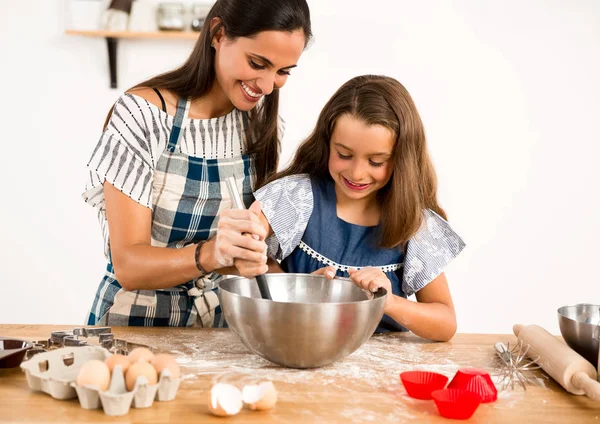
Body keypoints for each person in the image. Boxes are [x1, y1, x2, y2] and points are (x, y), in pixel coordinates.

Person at [82, 0, 312, 327]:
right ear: (218, 34)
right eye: (257, 62)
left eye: (283, 71)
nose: (266, 85)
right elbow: (129, 265)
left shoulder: (262, 126)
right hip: (134, 327)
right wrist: (211, 254)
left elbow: (244, 255)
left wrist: (300, 288)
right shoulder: (142, 117)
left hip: (219, 330)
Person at [254, 75, 465, 341]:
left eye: (376, 161)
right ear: (327, 141)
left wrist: (389, 302)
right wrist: (298, 291)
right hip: (299, 355)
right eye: (344, 154)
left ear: (402, 159)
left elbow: (445, 324)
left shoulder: (414, 224)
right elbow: (251, 257)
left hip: (378, 374)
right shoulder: (297, 197)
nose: (357, 173)